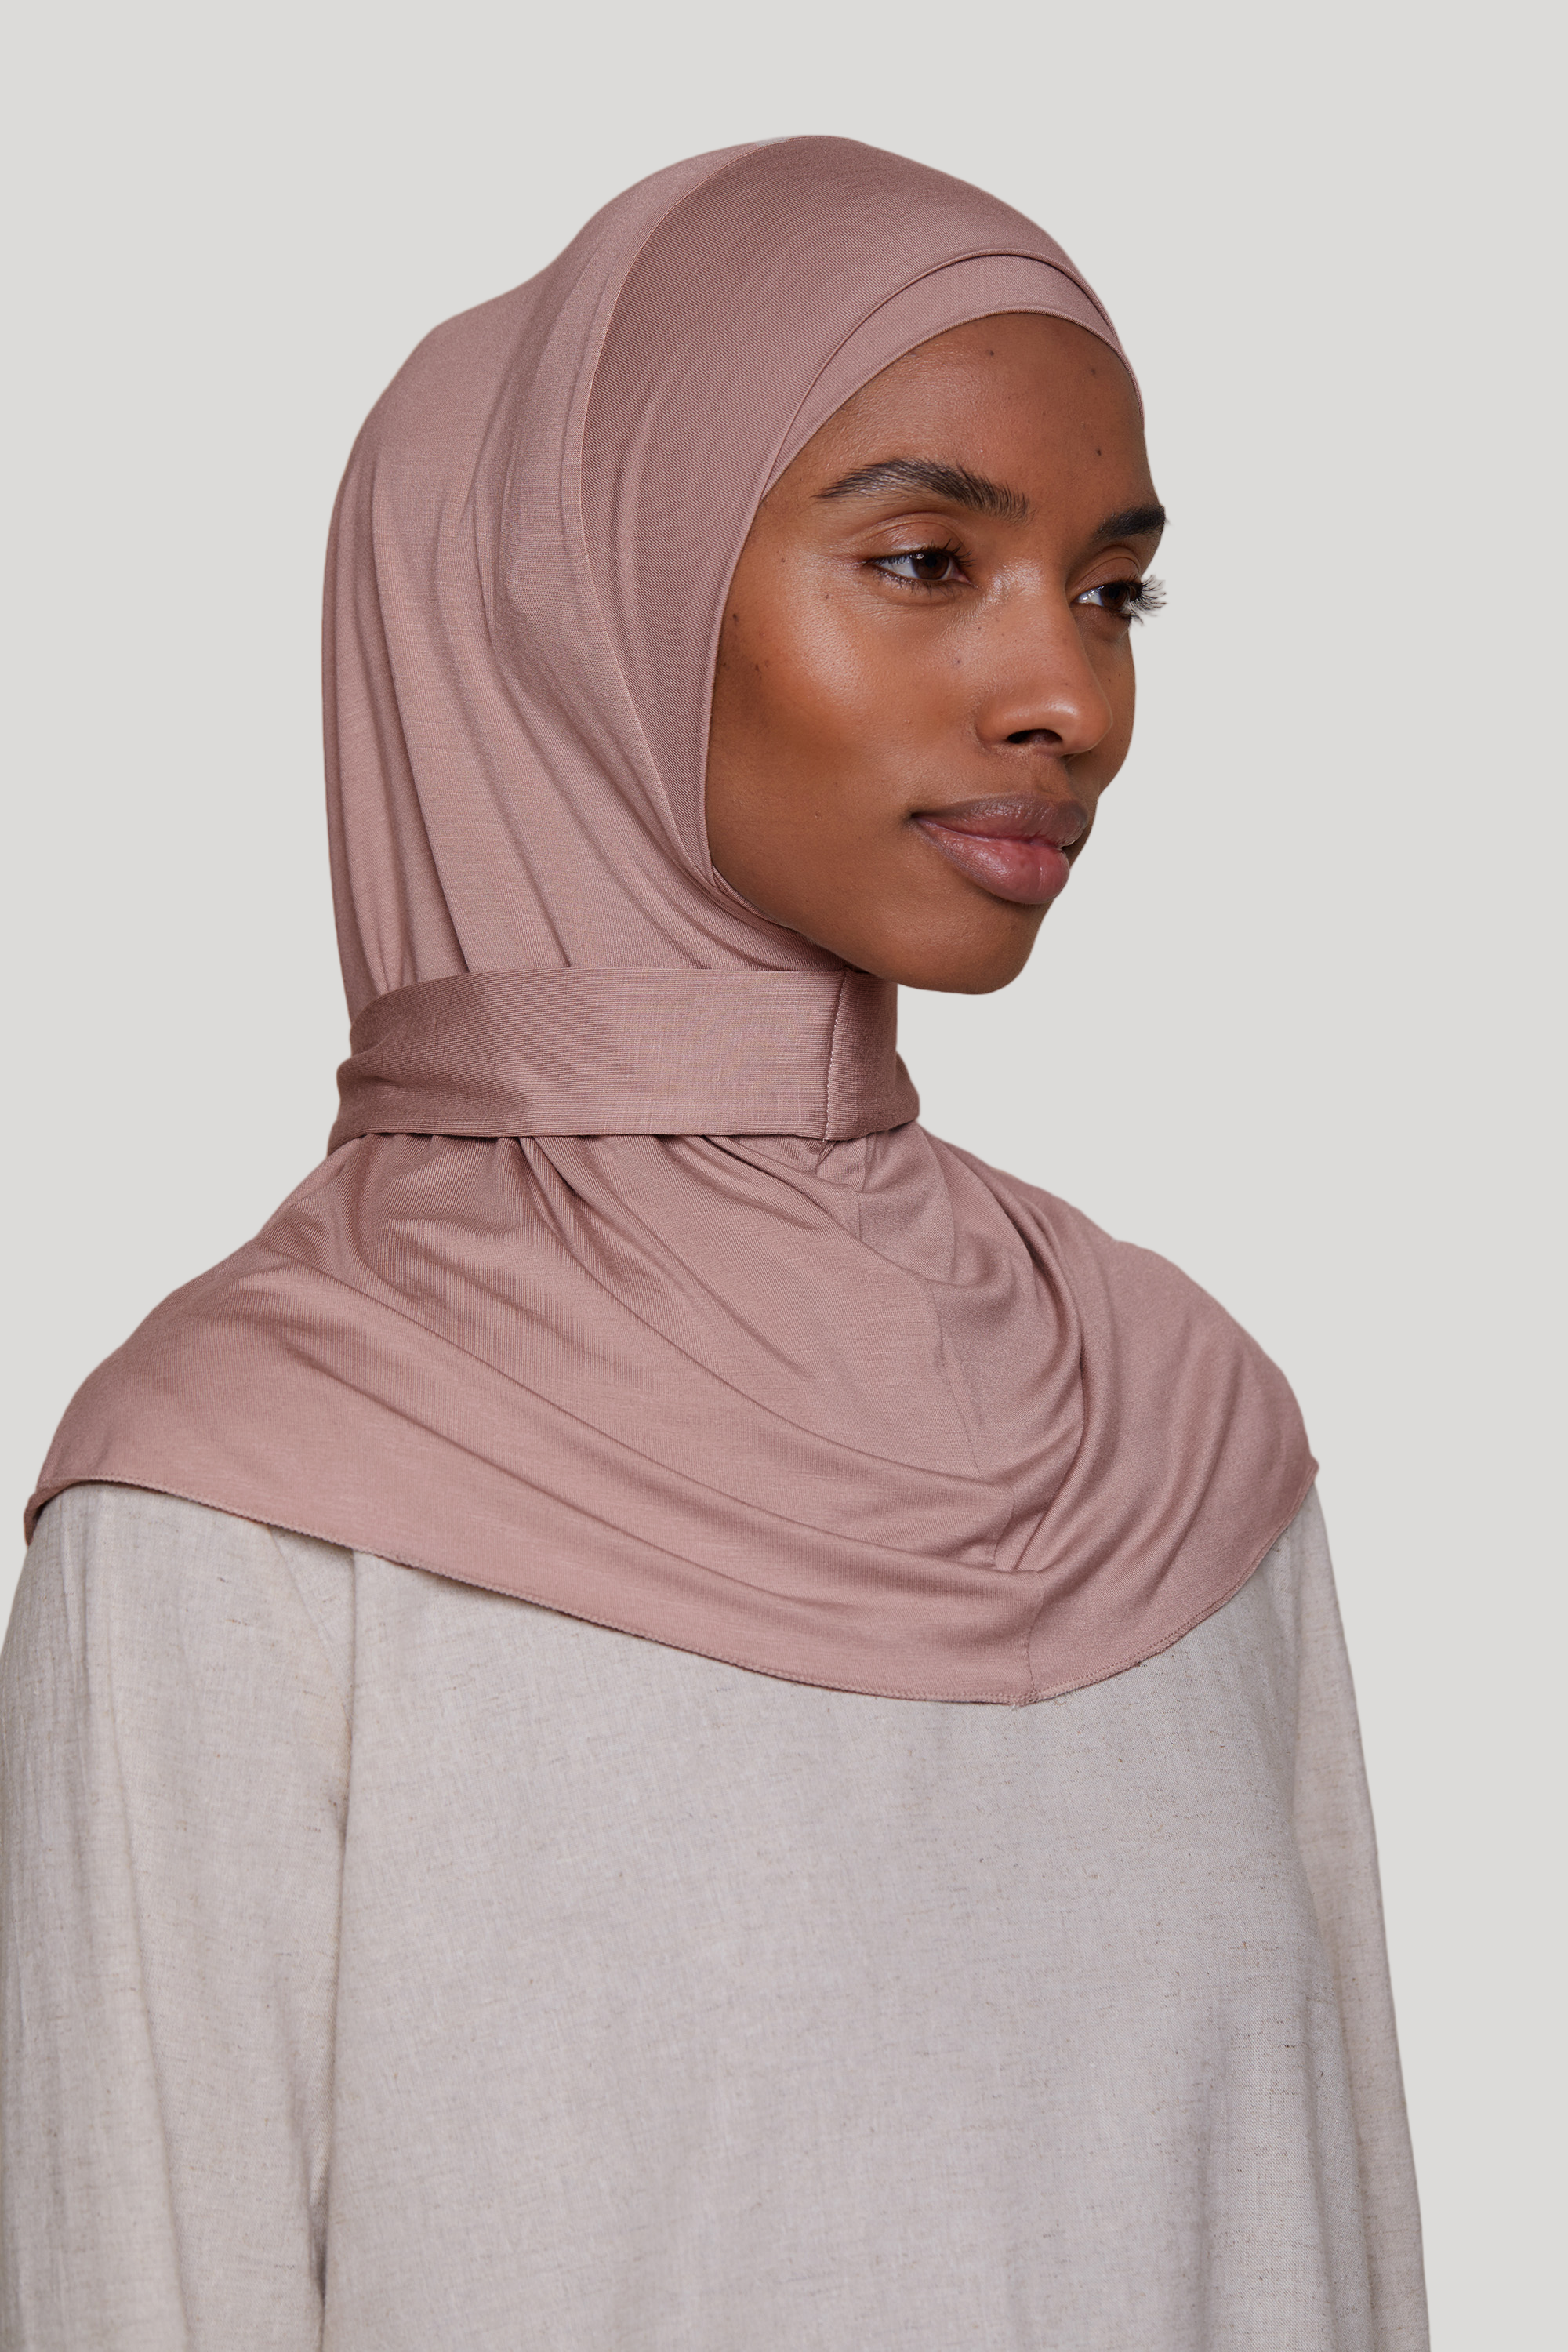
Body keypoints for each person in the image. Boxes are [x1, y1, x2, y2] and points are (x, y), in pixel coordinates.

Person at [0, 137, 1428, 2349]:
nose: (1075, 698)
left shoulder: (1182, 1442)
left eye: (1114, 591)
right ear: (585, 607)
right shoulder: (252, 1496)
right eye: (929, 560)